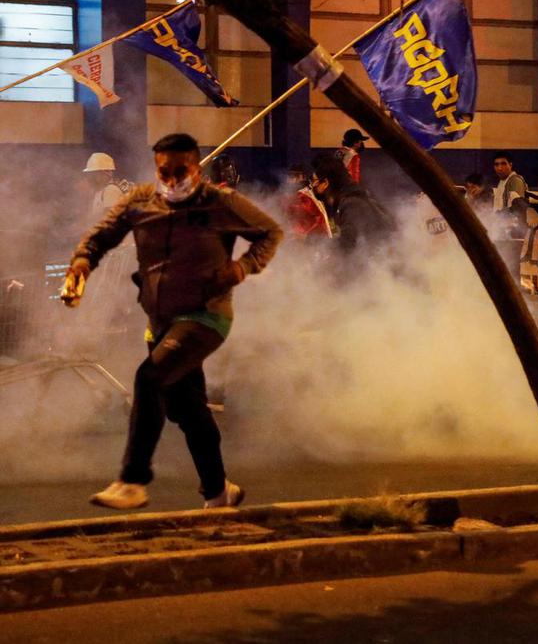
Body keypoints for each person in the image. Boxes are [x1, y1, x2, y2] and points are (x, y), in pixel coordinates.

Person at [63, 133, 282, 510]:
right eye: (164, 171)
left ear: (196, 168)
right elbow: (100, 237)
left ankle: (132, 481)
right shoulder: (140, 202)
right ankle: (218, 490)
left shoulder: (221, 203)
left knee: (148, 377)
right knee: (186, 408)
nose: (172, 179)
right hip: (160, 318)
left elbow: (270, 232)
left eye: (181, 171)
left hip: (206, 316)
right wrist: (82, 265)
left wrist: (244, 267)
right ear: (156, 168)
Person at [310, 154, 394, 253]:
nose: (311, 186)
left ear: (325, 183)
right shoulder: (346, 202)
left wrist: (312, 244)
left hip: (381, 264)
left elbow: (348, 244)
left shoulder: (352, 205)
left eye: (314, 181)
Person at [284, 164, 331, 238]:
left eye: (294, 176)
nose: (291, 180)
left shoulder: (304, 196)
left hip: (312, 240)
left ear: (303, 177)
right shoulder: (304, 194)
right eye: (290, 177)